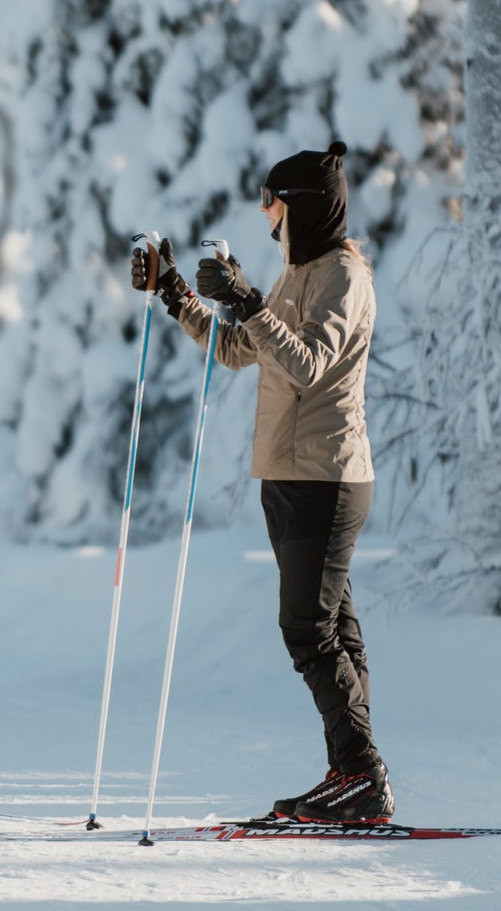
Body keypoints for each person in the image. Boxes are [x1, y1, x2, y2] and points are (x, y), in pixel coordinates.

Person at [130, 141, 393, 823]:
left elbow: (306, 363)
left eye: (270, 198)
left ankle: (361, 773)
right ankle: (352, 771)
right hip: (287, 472)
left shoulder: (343, 276)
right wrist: (176, 293)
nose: (261, 209)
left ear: (300, 205)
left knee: (307, 629)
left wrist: (248, 297)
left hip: (325, 473)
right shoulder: (297, 272)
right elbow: (236, 347)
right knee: (332, 629)